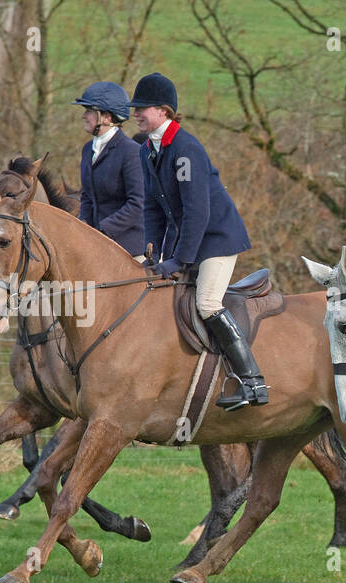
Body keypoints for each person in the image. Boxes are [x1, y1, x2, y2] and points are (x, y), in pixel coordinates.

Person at [128, 72, 267, 411]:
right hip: (189, 240)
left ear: (163, 111)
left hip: (217, 239)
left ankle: (252, 382)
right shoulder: (149, 150)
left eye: (141, 109)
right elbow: (152, 208)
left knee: (206, 303)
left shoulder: (186, 150)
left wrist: (178, 260)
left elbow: (197, 212)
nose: (135, 114)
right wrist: (151, 251)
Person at [73, 82, 145, 262]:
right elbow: (87, 196)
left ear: (106, 117)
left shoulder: (131, 152)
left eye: (89, 111)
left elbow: (137, 203)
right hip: (96, 243)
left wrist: (102, 230)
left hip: (129, 249)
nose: (84, 116)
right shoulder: (88, 149)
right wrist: (83, 226)